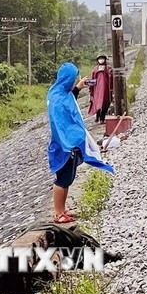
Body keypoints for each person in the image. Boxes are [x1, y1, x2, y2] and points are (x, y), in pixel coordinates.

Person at [47, 62, 114, 224]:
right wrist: (68, 145)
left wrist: (78, 87)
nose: (74, 82)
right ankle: (58, 213)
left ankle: (63, 210)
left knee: (68, 179)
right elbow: (60, 125)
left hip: (69, 144)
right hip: (64, 146)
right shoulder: (58, 100)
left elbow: (69, 100)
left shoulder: (59, 91)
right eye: (73, 79)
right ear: (67, 79)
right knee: (61, 180)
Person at [88, 55, 112, 124]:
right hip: (97, 90)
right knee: (97, 103)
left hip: (106, 90)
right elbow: (92, 79)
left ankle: (102, 118)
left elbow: (112, 78)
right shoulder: (95, 69)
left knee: (105, 104)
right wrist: (91, 89)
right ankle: (97, 117)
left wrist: (112, 89)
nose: (101, 60)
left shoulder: (108, 68)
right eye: (100, 59)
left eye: (102, 59)